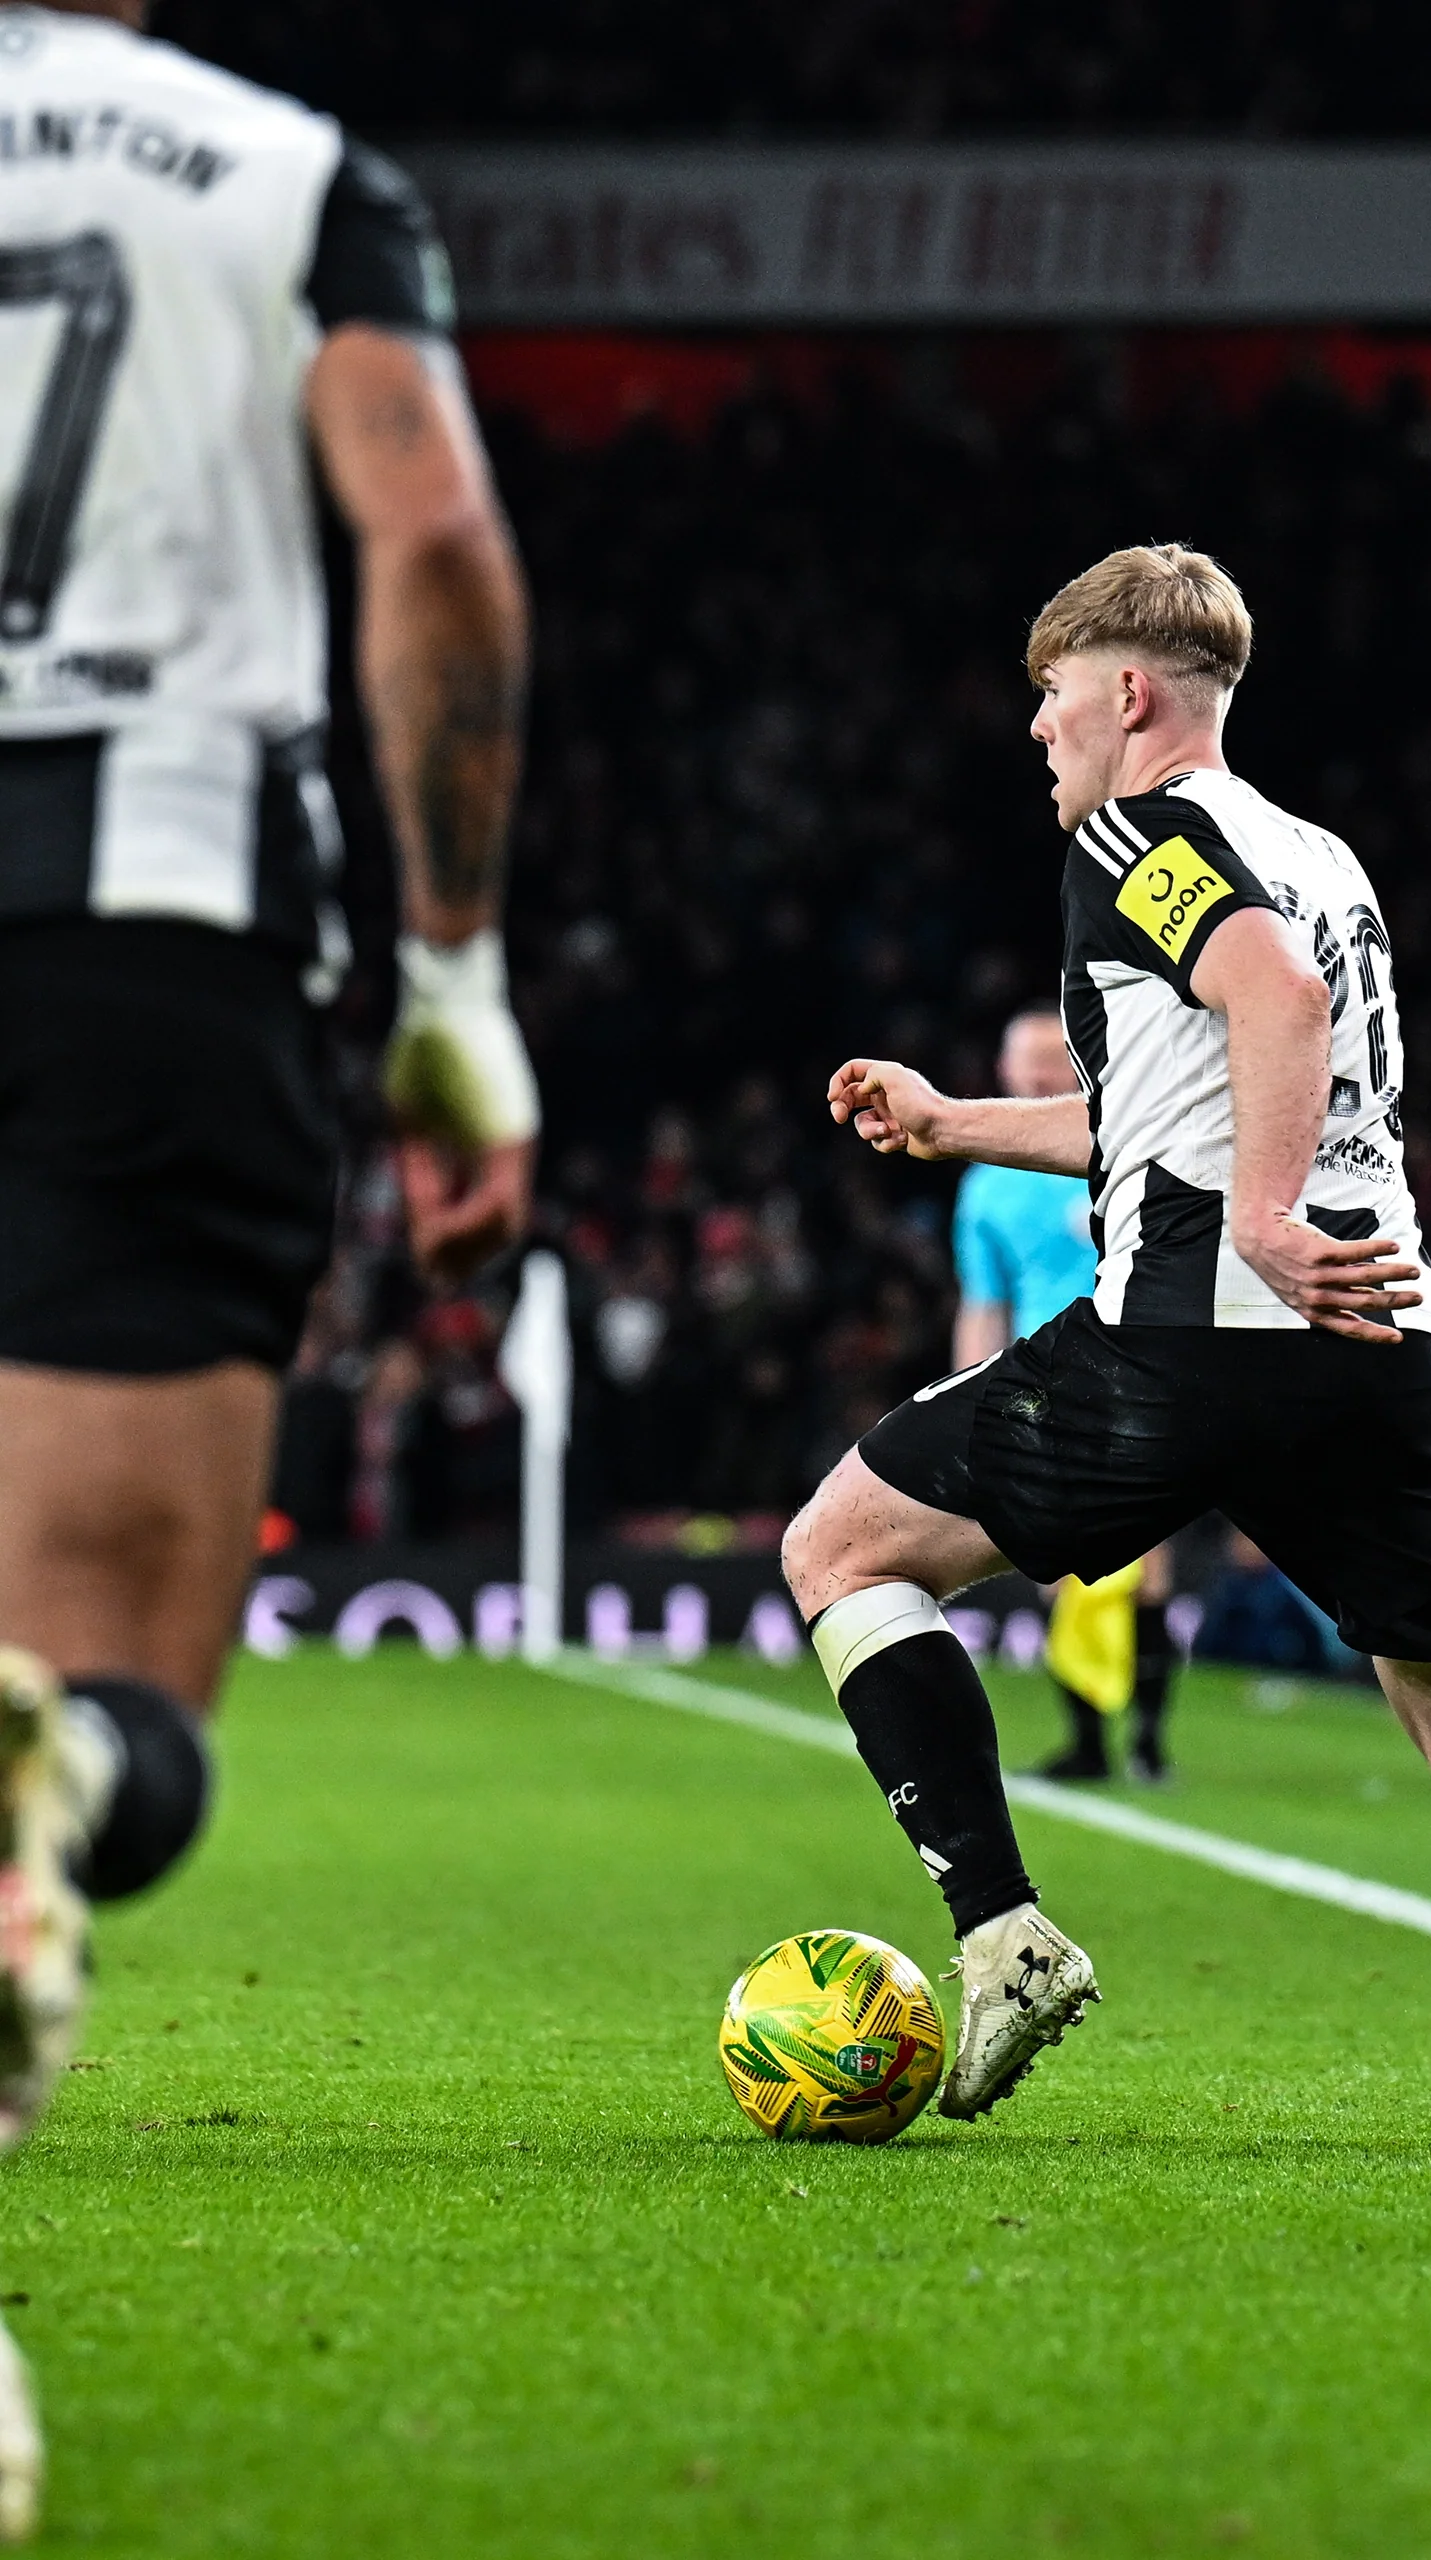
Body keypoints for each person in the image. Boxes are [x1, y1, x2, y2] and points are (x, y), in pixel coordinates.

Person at [785, 542, 1431, 2160]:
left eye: (1048, 698)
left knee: (838, 1547)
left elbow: (1271, 1007)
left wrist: (1252, 1222)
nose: (1036, 733)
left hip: (1205, 1324)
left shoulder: (1135, 827)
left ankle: (1001, 1932)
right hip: (1375, 1334)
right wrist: (953, 1120)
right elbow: (1179, 1093)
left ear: (1126, 693)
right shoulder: (1317, 853)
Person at [0, 0, 537, 2524]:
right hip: (154, 922)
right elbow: (426, 533)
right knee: (86, 1696)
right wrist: (450, 984)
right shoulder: (288, 171)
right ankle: (70, 1770)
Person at [953, 1007, 1178, 1782]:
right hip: (1040, 1386)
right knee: (1051, 1561)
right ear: (1004, 1070)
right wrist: (963, 1402)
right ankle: (1089, 1742)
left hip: (1138, 1367)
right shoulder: (983, 1189)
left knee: (1146, 1560)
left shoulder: (1123, 1147)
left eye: (1056, 1060)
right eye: (1029, 1061)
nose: (1042, 1073)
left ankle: (1148, 1741)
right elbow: (982, 1302)